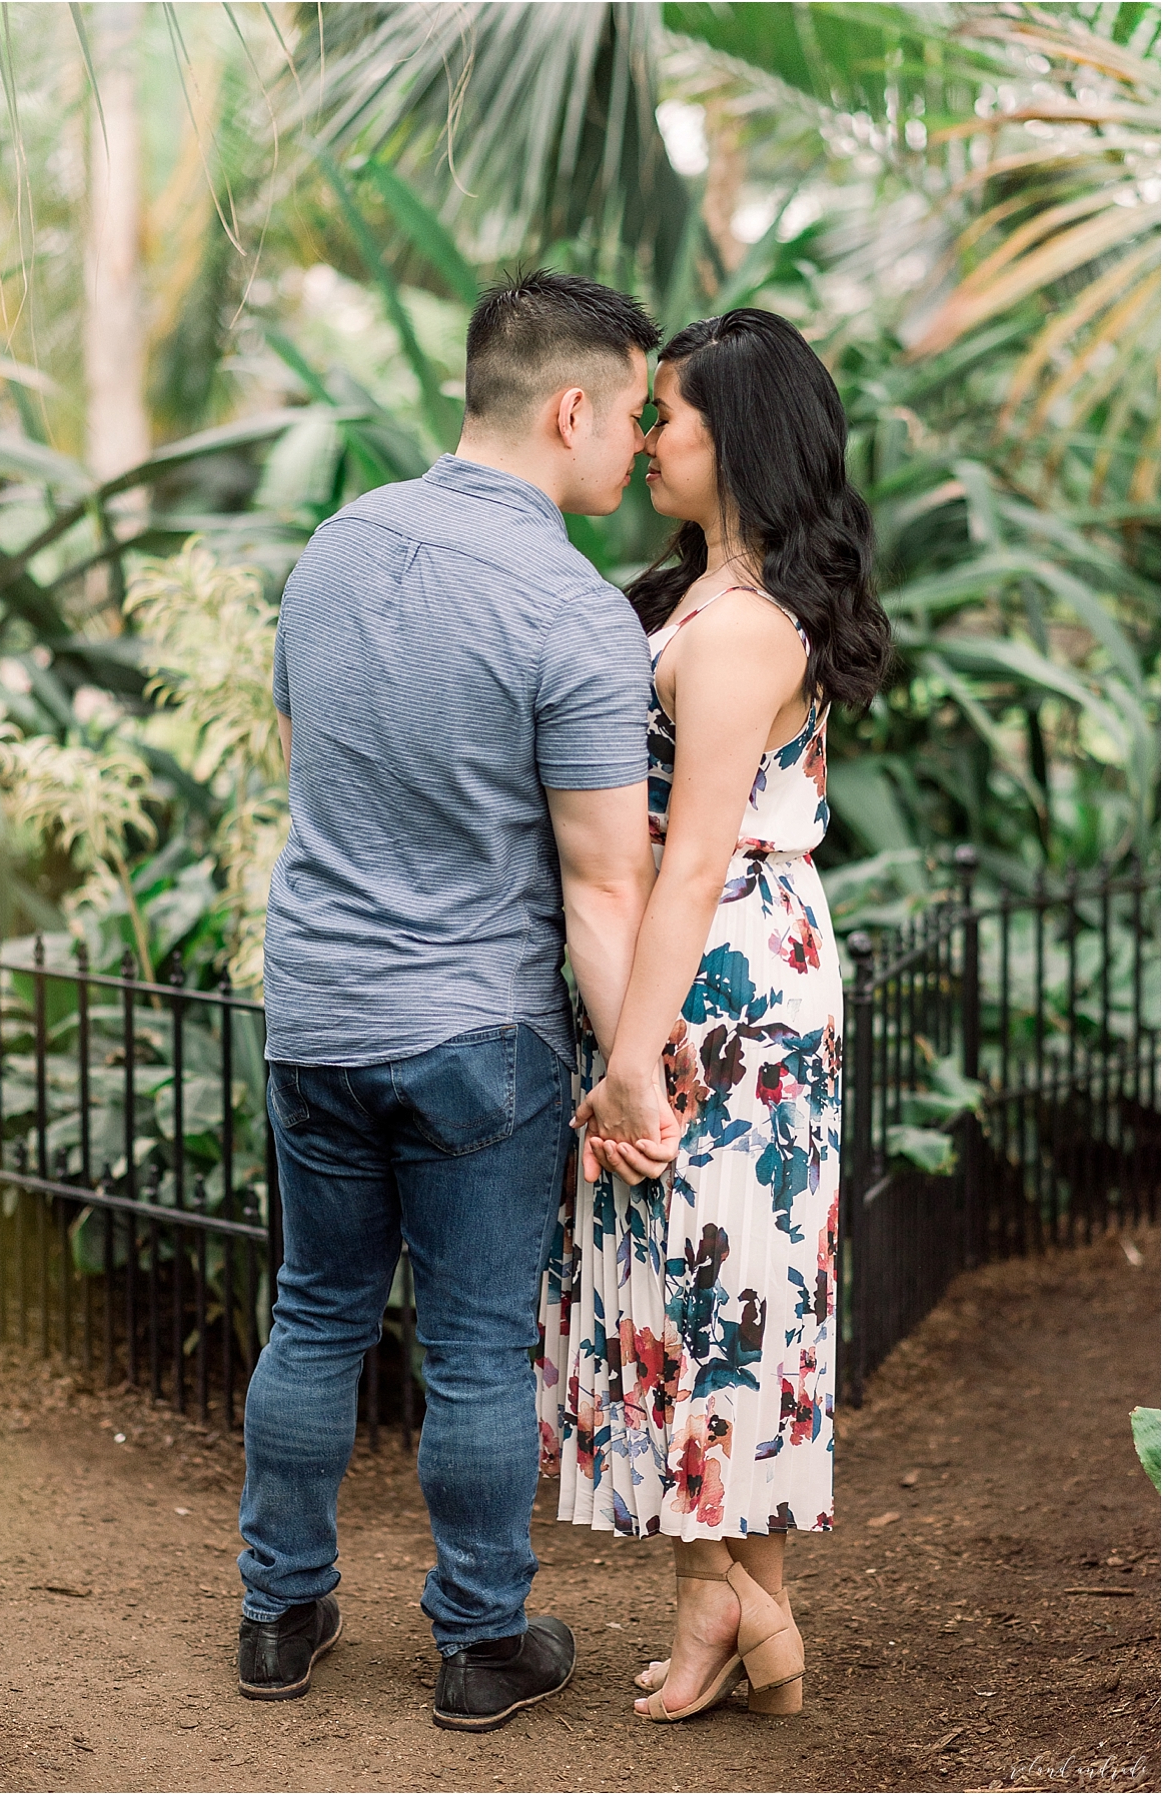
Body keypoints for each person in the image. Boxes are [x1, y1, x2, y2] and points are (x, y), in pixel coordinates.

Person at [238, 271, 679, 1732]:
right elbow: (607, 883)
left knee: (314, 1315)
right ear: (571, 407)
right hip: (474, 1033)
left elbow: (303, 760)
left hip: (313, 1007)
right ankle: (480, 1639)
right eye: (634, 413)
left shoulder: (330, 549)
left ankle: (276, 1614)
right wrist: (634, 1069)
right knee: (480, 1347)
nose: (641, 442)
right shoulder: (572, 607)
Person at [535, 309, 891, 1722]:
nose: (645, 435)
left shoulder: (743, 632)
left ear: (732, 437)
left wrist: (632, 1055)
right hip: (703, 958)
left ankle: (722, 1603)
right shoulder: (694, 595)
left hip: (730, 972)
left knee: (716, 1284)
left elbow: (690, 856)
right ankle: (757, 1621)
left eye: (665, 413)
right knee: (694, 1271)